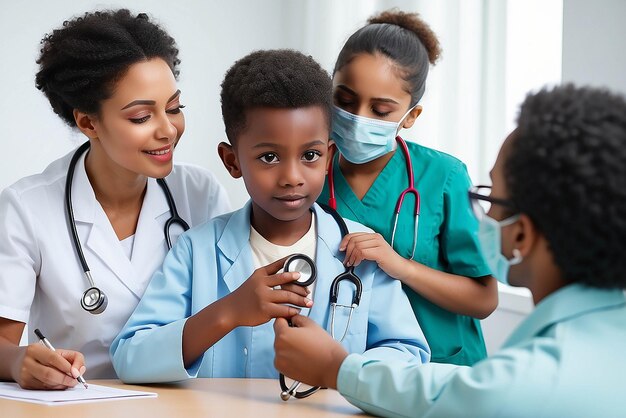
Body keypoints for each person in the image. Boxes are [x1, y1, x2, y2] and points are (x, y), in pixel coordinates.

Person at [274, 84, 626, 417]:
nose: (485, 216)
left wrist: (337, 368)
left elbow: (473, 394)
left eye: (491, 199)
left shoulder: (539, 381)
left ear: (521, 235)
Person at [110, 49, 429, 384]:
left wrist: (339, 367)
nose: (292, 176)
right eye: (269, 157)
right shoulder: (196, 251)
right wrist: (228, 312)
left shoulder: (359, 252)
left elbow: (408, 352)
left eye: (310, 155)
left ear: (327, 157)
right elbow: (131, 358)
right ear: (232, 161)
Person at [0, 9, 230, 389]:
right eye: (142, 117)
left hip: (186, 401)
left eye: (174, 108)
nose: (168, 129)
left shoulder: (200, 195)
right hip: (80, 403)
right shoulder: (27, 207)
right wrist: (20, 361)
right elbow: (3, 346)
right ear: (88, 123)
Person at [318, 9, 497, 366]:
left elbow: (484, 299)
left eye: (381, 110)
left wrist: (400, 265)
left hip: (441, 371)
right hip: (350, 369)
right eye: (345, 101)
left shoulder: (444, 177)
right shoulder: (310, 174)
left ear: (410, 116)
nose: (359, 119)